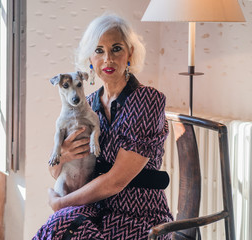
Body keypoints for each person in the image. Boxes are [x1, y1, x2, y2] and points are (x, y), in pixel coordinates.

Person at [33, 14, 173, 240]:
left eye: (116, 49)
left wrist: (60, 203)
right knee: (57, 227)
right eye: (99, 50)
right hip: (95, 208)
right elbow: (55, 170)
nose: (107, 58)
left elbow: (116, 180)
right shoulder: (88, 106)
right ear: (90, 58)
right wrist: (65, 154)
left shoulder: (148, 100)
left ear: (130, 53)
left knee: (63, 224)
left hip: (138, 214)